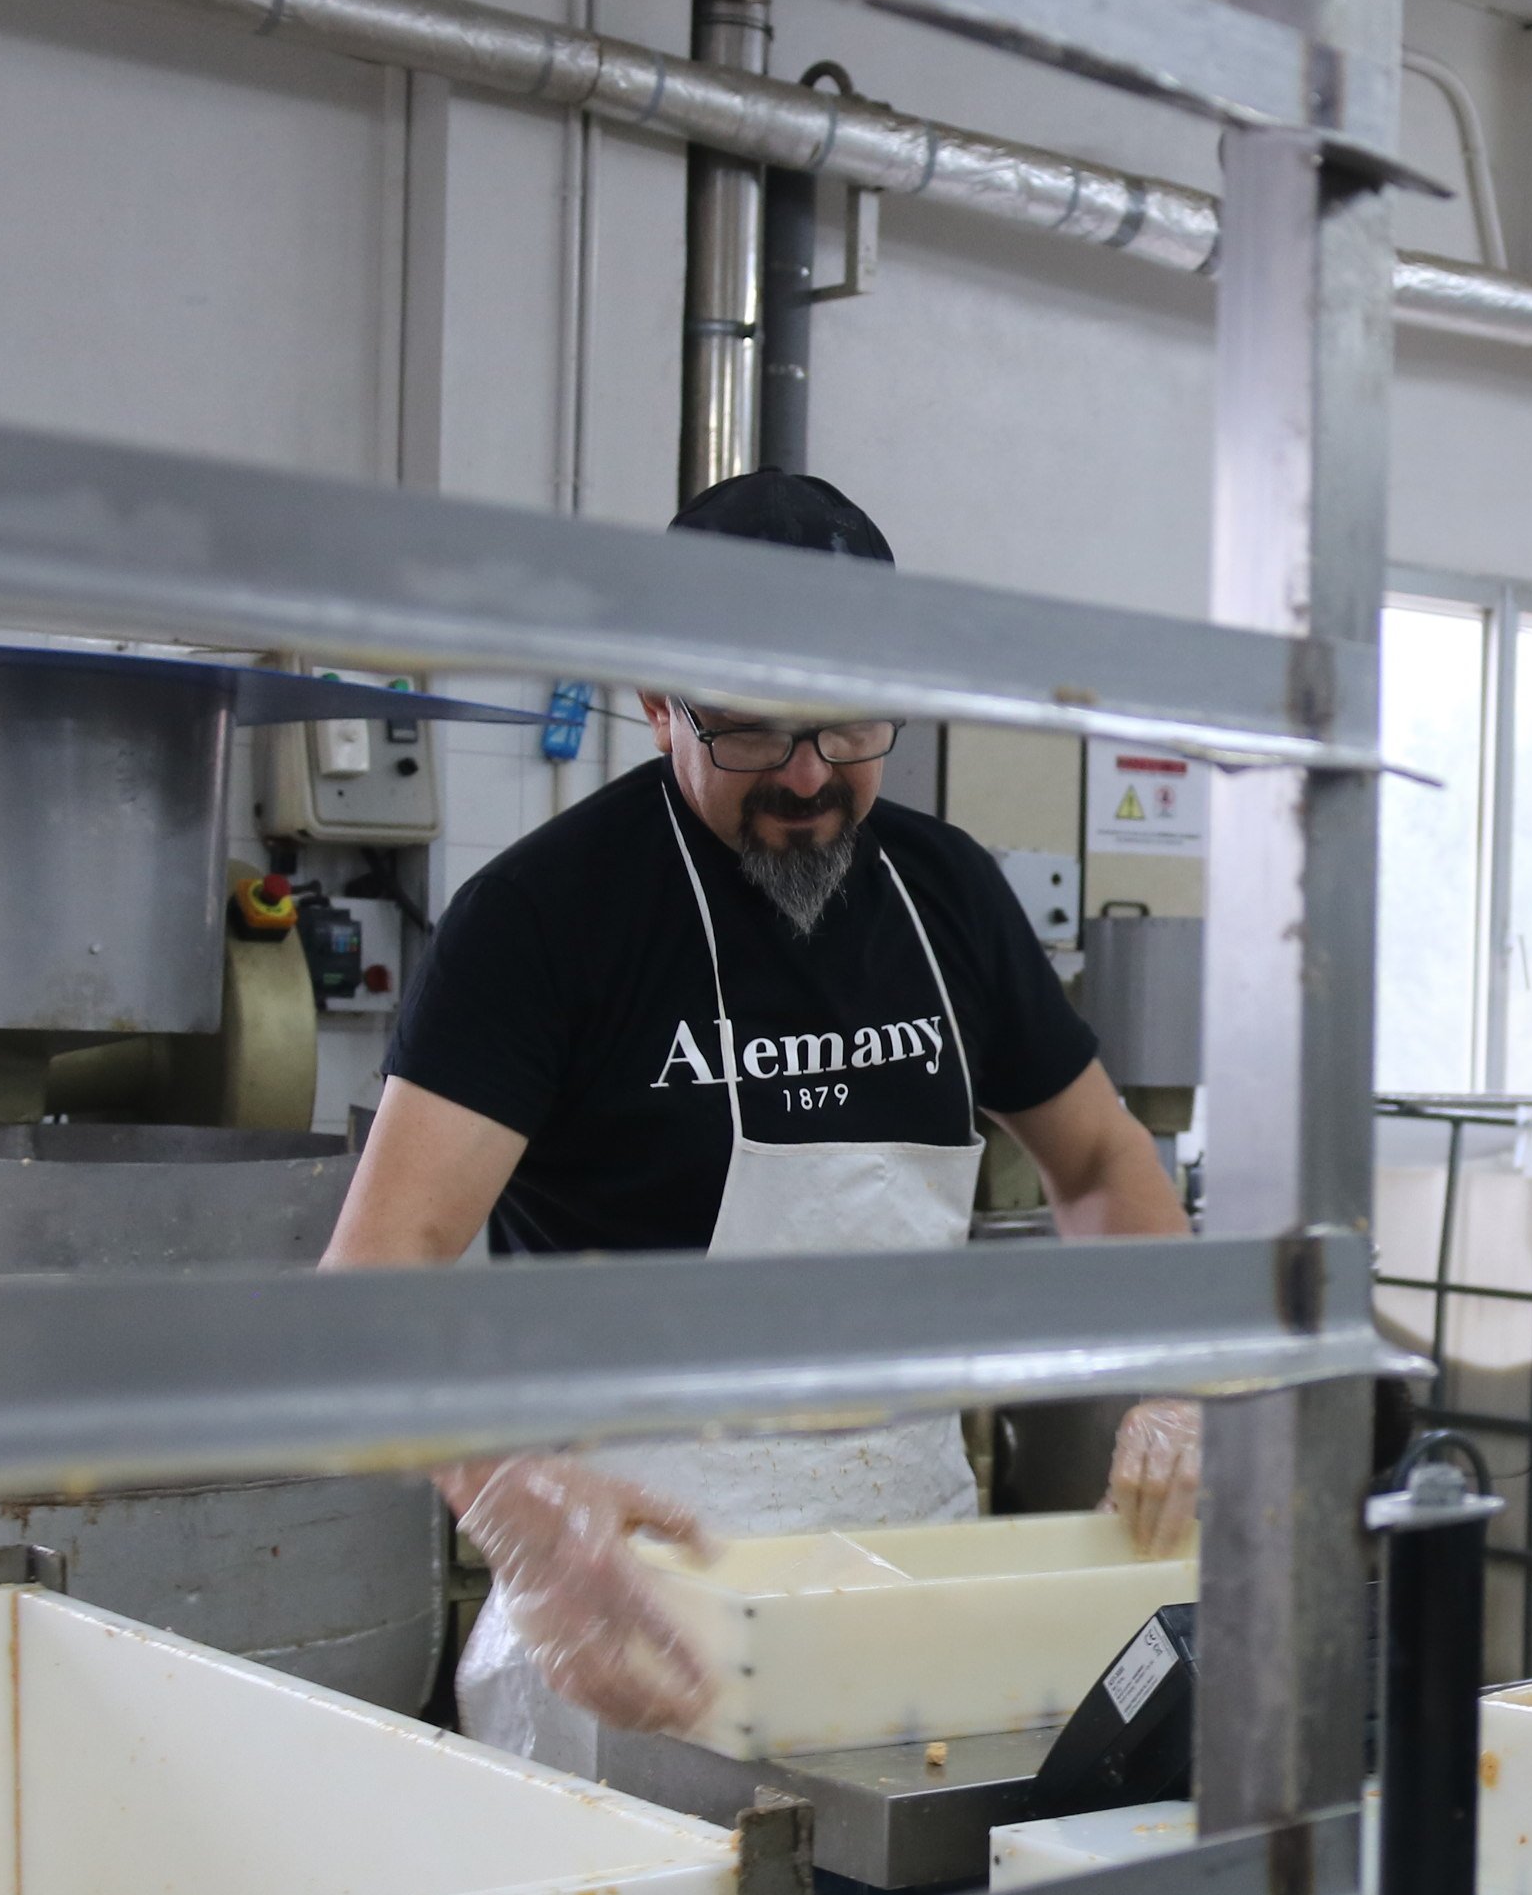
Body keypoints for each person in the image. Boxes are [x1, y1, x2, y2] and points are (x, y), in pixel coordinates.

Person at [323, 468, 1200, 1773]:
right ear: (656, 696)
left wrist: (1182, 1378)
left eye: (847, 727)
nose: (807, 777)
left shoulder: (946, 894)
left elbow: (1098, 1159)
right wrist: (507, 1497)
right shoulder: (546, 922)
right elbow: (371, 1278)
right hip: (631, 1616)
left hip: (910, 1590)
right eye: (754, 732)